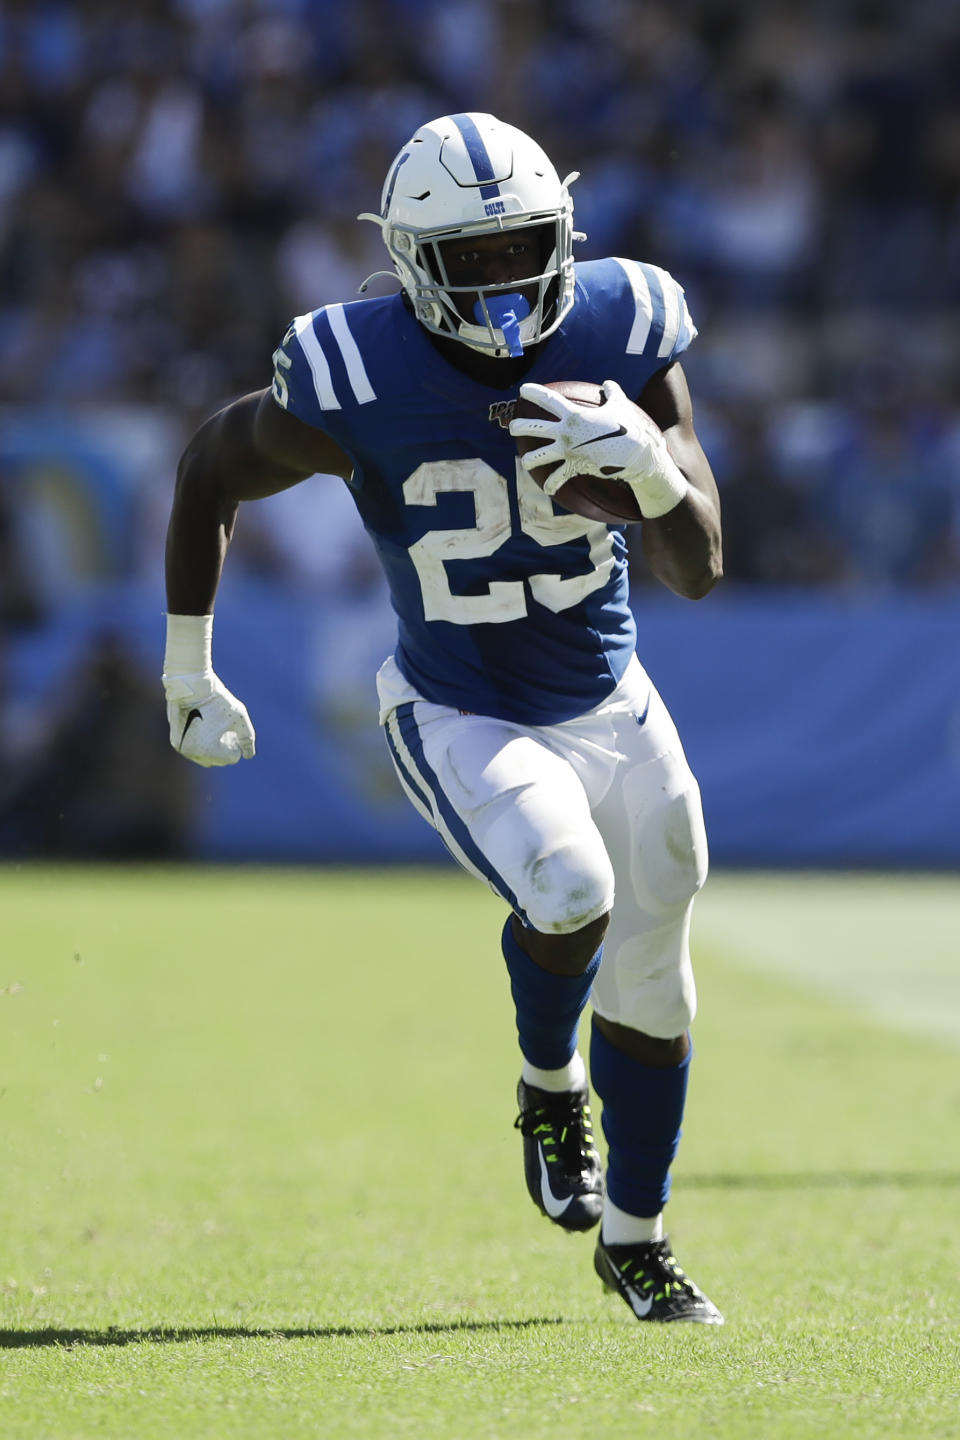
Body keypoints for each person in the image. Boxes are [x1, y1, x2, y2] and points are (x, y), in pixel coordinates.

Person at [163, 113, 724, 1325]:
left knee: (660, 970)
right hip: (460, 705)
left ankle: (638, 1240)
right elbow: (211, 463)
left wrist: (651, 465)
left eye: (522, 245)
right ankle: (544, 1082)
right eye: (469, 258)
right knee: (571, 887)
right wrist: (186, 665)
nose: (505, 279)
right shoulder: (358, 367)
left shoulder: (624, 323)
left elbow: (702, 564)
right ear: (409, 260)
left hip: (613, 696)